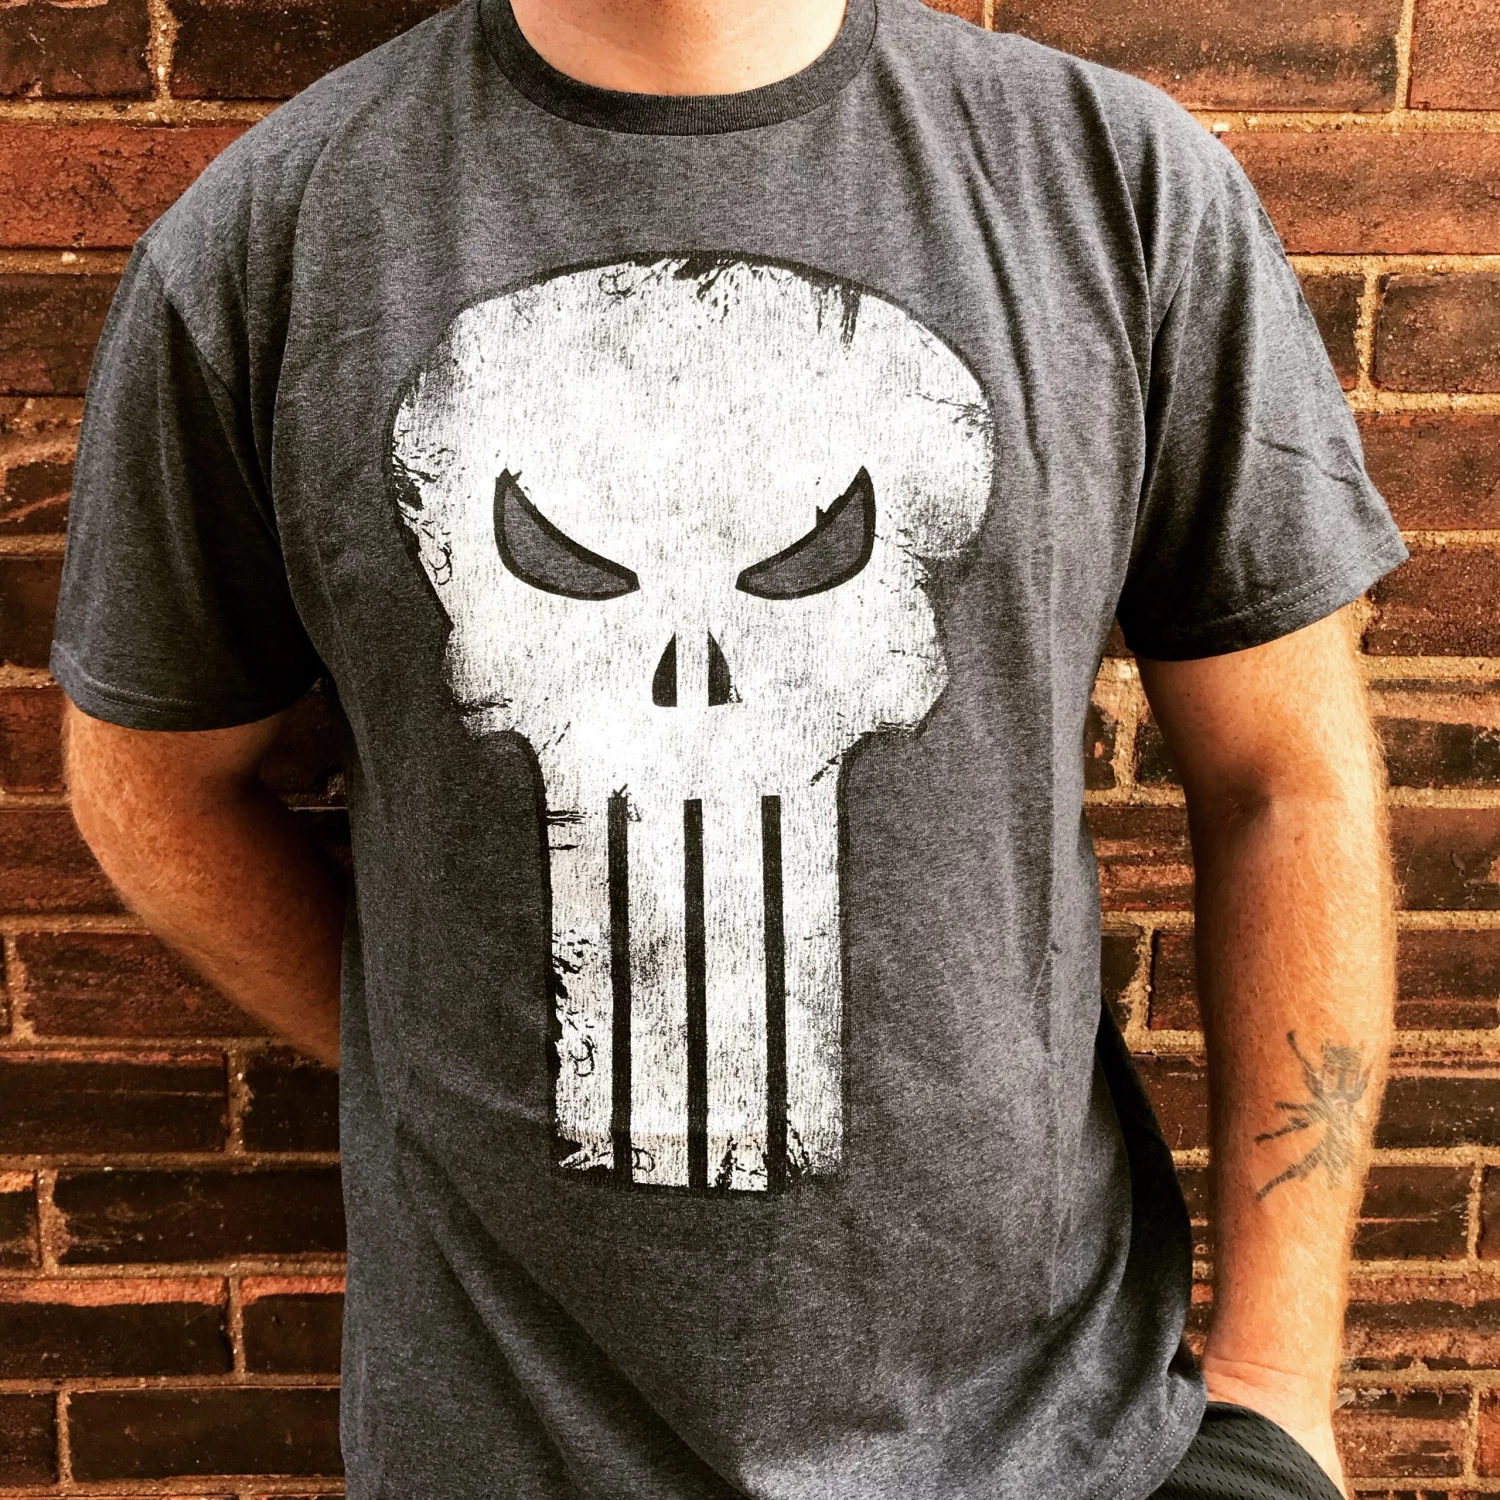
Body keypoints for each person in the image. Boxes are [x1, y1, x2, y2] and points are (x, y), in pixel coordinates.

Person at [52, 0, 1406, 1495]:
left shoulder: (1117, 188)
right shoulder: (270, 238)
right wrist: (418, 1060)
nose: (690, 677)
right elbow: (153, 787)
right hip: (496, 1454)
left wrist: (1279, 1395)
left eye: (807, 565)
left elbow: (1285, 784)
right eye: (563, 569)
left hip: (1058, 1451)